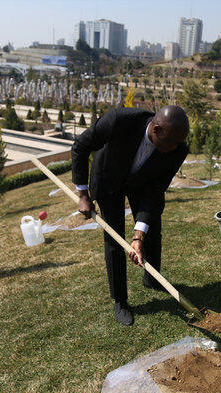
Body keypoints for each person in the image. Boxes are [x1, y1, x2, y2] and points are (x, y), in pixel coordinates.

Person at [71, 105, 189, 326]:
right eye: (169, 143)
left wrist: (138, 237)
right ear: (155, 129)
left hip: (143, 183)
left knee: (151, 225)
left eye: (176, 144)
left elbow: (154, 192)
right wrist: (83, 194)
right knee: (114, 238)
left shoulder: (177, 150)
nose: (173, 148)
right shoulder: (118, 120)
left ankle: (152, 278)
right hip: (108, 178)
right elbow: (80, 146)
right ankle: (121, 301)